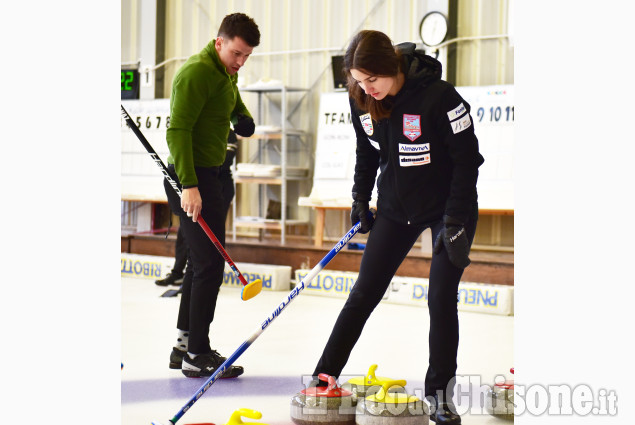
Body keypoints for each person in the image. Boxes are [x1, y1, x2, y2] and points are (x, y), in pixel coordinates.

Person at [310, 30, 484, 424]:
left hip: (447, 209)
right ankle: (323, 378)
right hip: (396, 205)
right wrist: (360, 198)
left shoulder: (440, 98)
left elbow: (467, 161)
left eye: (372, 79)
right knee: (363, 293)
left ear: (391, 69)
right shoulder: (362, 100)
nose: (366, 89)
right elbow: (366, 154)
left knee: (440, 298)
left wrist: (455, 220)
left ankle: (439, 396)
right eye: (358, 80)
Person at [163, 13, 259, 379]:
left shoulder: (225, 72)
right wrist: (189, 186)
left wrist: (243, 118)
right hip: (192, 178)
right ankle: (197, 354)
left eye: (246, 56)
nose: (240, 62)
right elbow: (178, 131)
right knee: (208, 264)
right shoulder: (195, 73)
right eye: (236, 53)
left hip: (214, 174)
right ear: (219, 42)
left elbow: (231, 101)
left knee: (202, 263)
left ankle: (183, 345)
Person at [155, 129, 239, 291]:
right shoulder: (197, 129)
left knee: (212, 235)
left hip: (220, 187)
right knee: (186, 230)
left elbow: (225, 161)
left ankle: (209, 278)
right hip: (199, 185)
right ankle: (178, 272)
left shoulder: (227, 132)